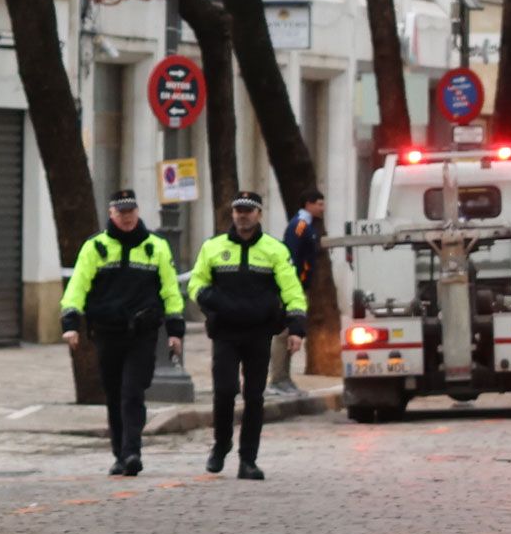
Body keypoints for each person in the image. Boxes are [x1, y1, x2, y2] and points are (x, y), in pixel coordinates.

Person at [61, 190, 184, 476]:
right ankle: (120, 452)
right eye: (121, 212)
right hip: (106, 332)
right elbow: (77, 287)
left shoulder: (156, 247)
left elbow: (170, 291)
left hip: (142, 334)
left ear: (137, 213)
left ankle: (132, 452)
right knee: (115, 394)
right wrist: (70, 325)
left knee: (132, 392)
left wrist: (175, 331)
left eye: (131, 212)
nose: (127, 217)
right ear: (111, 214)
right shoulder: (95, 247)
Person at [190, 192, 306, 480]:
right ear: (232, 214)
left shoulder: (275, 250)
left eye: (249, 211)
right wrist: (212, 301)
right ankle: (221, 445)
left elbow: (291, 290)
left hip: (258, 332)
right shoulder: (213, 247)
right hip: (225, 332)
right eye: (239, 210)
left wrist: (297, 328)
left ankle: (248, 460)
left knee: (254, 396)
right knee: (224, 390)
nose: (243, 215)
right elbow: (196, 283)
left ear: (259, 215)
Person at [272, 189, 326, 394]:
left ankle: (284, 378)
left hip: (298, 287)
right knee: (284, 332)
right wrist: (292, 285)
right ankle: (278, 379)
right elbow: (292, 256)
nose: (322, 208)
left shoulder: (308, 226)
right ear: (308, 204)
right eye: (319, 204)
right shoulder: (300, 226)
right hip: (292, 287)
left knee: (291, 331)